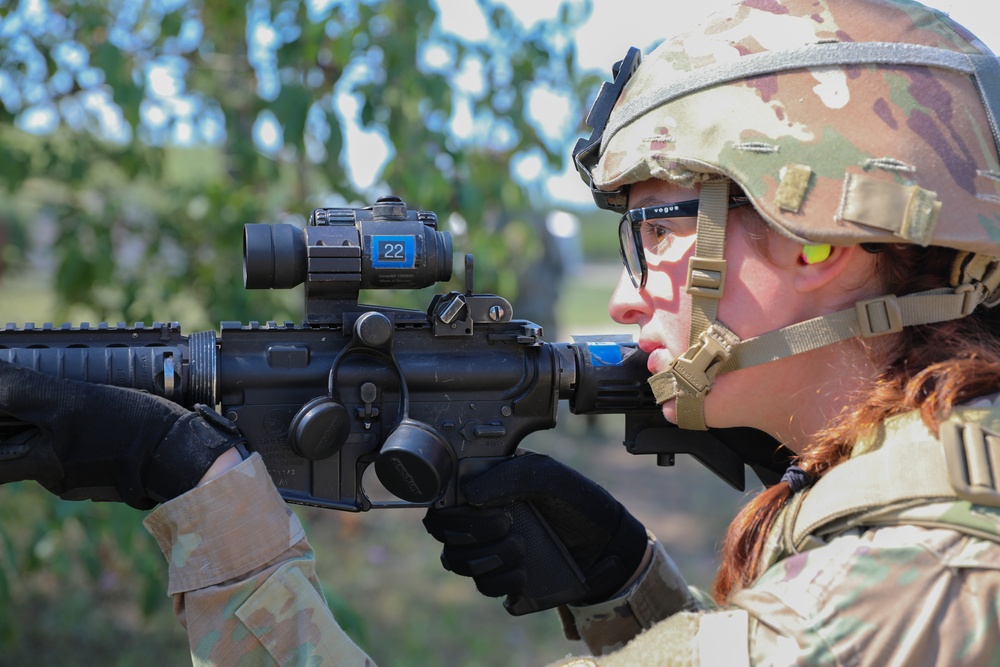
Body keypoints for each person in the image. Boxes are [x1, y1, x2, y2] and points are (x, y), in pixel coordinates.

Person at [3, 0, 1000, 664]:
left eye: (656, 227)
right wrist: (632, 596)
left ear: (813, 239)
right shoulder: (938, 505)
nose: (623, 300)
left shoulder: (900, 582)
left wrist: (205, 508)